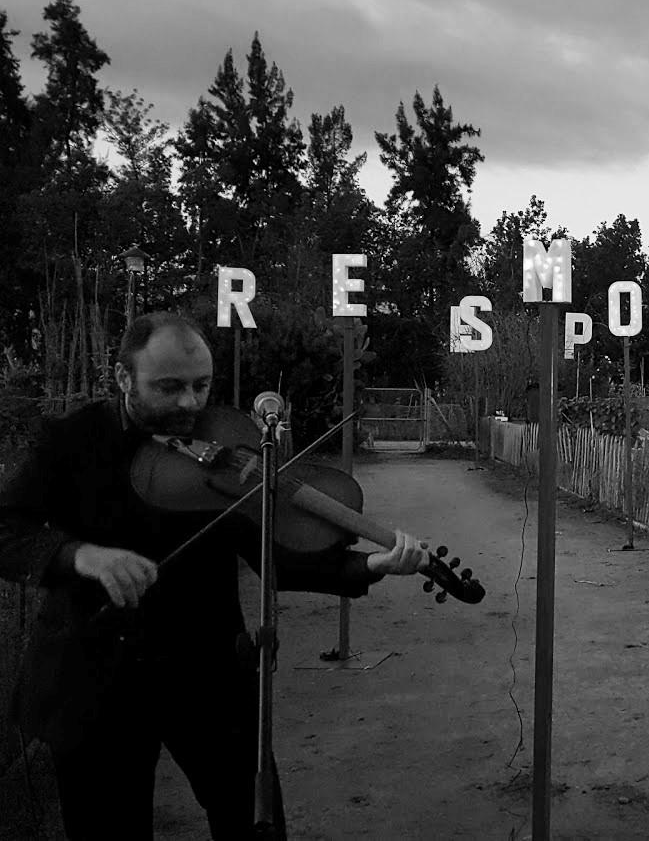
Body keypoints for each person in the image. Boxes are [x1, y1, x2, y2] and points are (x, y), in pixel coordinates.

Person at [0, 311, 427, 841]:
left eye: (201, 386)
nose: (189, 403)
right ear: (123, 377)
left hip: (207, 670)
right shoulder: (71, 441)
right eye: (169, 387)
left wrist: (369, 564)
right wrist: (78, 555)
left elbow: (275, 553)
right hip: (94, 676)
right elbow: (7, 530)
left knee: (252, 824)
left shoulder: (223, 442)